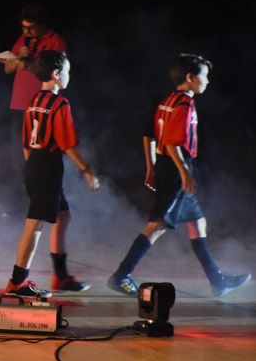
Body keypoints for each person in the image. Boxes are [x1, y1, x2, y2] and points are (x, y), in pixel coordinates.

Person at [107, 54, 250, 297]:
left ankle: (217, 280)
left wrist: (152, 166)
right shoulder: (183, 104)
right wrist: (184, 173)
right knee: (157, 225)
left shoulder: (168, 100)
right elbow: (173, 144)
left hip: (167, 165)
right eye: (204, 76)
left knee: (197, 223)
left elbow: (150, 134)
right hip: (175, 168)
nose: (207, 82)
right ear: (190, 78)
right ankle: (121, 275)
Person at [3, 50, 100, 298]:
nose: (69, 76)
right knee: (34, 225)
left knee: (62, 216)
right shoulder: (59, 103)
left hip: (35, 163)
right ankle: (17, 282)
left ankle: (61, 276)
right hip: (47, 165)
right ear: (56, 75)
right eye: (67, 72)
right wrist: (87, 170)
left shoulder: (34, 100)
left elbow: (25, 141)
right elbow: (67, 144)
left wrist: (32, 167)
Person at [1, 4, 67, 159]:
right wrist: (18, 58)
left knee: (40, 149)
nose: (26, 32)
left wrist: (30, 65)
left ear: (42, 24)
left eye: (31, 28)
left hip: (43, 105)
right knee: (18, 150)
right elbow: (7, 68)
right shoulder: (23, 40)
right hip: (20, 104)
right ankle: (24, 182)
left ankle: (41, 181)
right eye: (23, 28)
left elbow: (59, 74)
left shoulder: (55, 41)